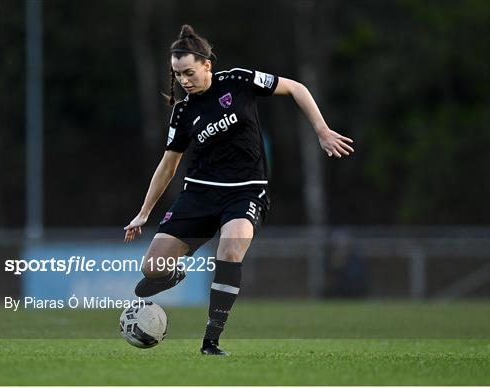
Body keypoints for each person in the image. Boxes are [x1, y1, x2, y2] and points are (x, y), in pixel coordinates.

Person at [124, 24, 354, 356]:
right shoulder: (183, 112)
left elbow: (296, 87)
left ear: (207, 65)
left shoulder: (238, 81)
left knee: (231, 248)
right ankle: (174, 274)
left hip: (246, 191)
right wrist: (144, 213)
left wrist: (321, 129)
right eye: (177, 74)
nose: (184, 80)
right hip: (200, 193)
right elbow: (168, 165)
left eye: (189, 72)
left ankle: (211, 341)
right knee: (152, 269)